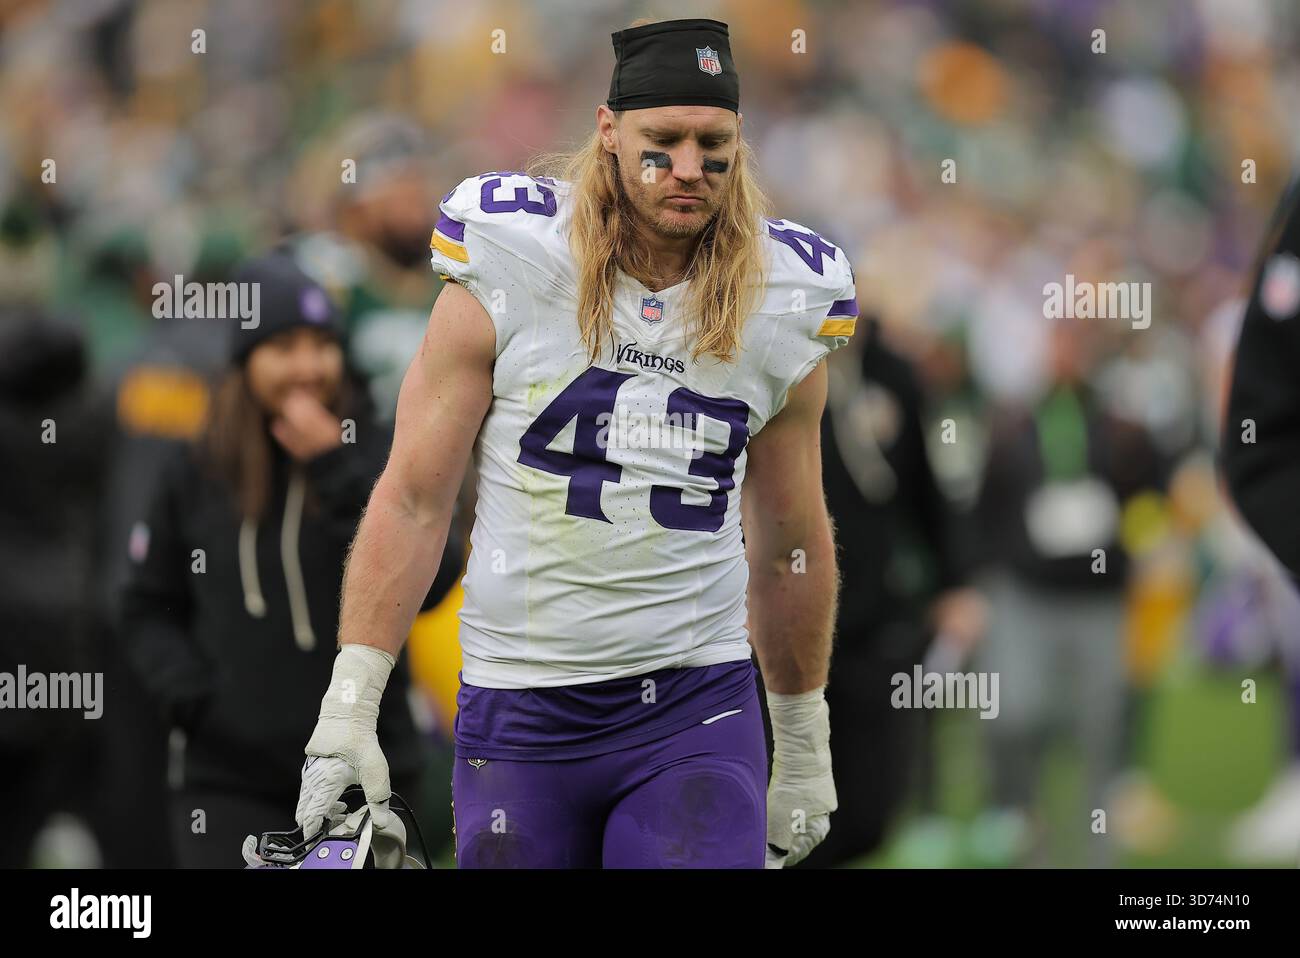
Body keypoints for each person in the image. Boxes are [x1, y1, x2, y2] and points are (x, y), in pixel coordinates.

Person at [289, 17, 857, 869]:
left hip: (694, 703)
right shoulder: (515, 257)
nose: (690, 168)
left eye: (715, 142)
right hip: (521, 704)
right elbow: (413, 496)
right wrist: (348, 708)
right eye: (662, 141)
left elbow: (790, 546)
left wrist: (803, 741)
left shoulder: (785, 298)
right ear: (608, 133)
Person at [120, 253, 461, 868]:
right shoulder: (195, 470)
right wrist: (196, 697)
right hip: (229, 783)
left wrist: (335, 466)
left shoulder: (381, 449)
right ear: (245, 362)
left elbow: (434, 581)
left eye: (322, 345)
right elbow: (145, 604)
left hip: (363, 775)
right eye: (284, 347)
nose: (308, 367)